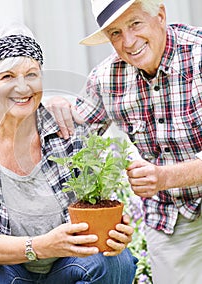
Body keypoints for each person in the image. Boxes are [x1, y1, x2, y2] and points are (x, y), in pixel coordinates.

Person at [0, 23, 137, 284]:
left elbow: (97, 205)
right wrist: (41, 246)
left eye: (31, 74)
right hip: (11, 272)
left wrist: (117, 230)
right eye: (7, 77)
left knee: (115, 261)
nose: (23, 88)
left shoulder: (68, 131)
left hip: (68, 266)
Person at [46, 0, 202, 283]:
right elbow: (70, 138)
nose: (128, 42)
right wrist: (53, 107)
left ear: (160, 15)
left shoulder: (198, 55)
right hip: (170, 216)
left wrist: (165, 176)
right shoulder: (107, 77)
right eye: (115, 33)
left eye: (135, 24)